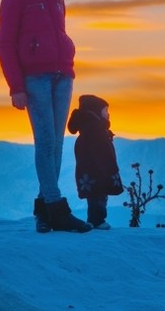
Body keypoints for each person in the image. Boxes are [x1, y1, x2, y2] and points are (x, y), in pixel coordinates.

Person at [0, 0, 91, 233]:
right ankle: (56, 207)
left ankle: (43, 209)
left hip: (63, 76)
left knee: (58, 144)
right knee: (46, 141)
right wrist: (16, 87)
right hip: (34, 79)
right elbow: (5, 44)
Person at [67, 94, 124, 230]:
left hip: (90, 172)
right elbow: (101, 153)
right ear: (95, 112)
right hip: (98, 171)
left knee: (96, 195)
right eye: (105, 111)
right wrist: (109, 169)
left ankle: (96, 219)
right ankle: (97, 220)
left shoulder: (90, 130)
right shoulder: (95, 131)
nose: (108, 114)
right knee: (98, 195)